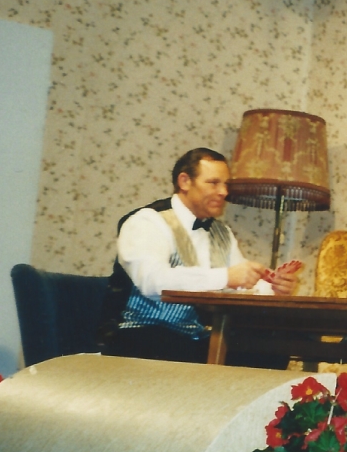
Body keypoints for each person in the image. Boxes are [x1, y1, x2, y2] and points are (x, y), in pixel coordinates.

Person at [98, 148, 298, 364]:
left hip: (193, 337)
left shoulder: (222, 232)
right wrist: (226, 277)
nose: (223, 192)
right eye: (213, 183)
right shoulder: (147, 221)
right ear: (185, 181)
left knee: (272, 349)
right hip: (140, 332)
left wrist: (273, 288)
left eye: (226, 185)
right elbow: (152, 281)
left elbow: (239, 286)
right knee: (179, 350)